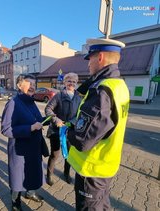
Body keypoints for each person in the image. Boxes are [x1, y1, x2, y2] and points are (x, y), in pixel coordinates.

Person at [67, 38, 130, 210]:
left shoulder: (101, 91)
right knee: (102, 204)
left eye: (90, 59)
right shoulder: (120, 85)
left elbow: (82, 141)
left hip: (91, 169)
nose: (88, 65)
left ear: (100, 57)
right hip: (107, 164)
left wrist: (67, 131)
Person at [1, 74, 49, 211]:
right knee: (18, 178)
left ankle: (30, 193)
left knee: (32, 173)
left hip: (34, 149)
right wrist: (30, 128)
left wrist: (50, 118)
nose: (32, 86)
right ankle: (15, 202)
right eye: (29, 83)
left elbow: (37, 120)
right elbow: (5, 129)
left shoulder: (31, 101)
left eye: (34, 83)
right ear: (19, 85)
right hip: (20, 150)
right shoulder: (13, 103)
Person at [45, 73, 81, 186]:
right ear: (64, 82)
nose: (71, 83)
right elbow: (48, 109)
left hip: (70, 131)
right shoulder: (58, 96)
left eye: (74, 82)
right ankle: (49, 175)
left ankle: (66, 174)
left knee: (68, 155)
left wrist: (73, 122)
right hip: (56, 131)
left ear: (76, 84)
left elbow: (80, 113)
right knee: (55, 155)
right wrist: (56, 120)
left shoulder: (78, 97)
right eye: (69, 81)